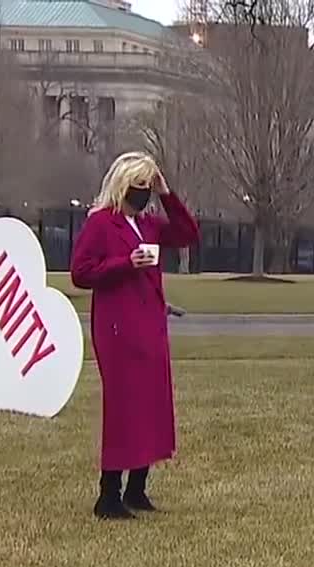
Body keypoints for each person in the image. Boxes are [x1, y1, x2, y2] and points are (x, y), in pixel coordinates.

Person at [70, 151, 201, 520]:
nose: (142, 194)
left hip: (149, 324)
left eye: (147, 187)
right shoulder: (101, 224)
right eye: (138, 187)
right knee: (124, 406)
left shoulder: (149, 225)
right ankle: (109, 491)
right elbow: (81, 272)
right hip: (118, 326)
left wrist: (166, 193)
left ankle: (137, 486)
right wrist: (124, 265)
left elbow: (188, 234)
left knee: (151, 404)